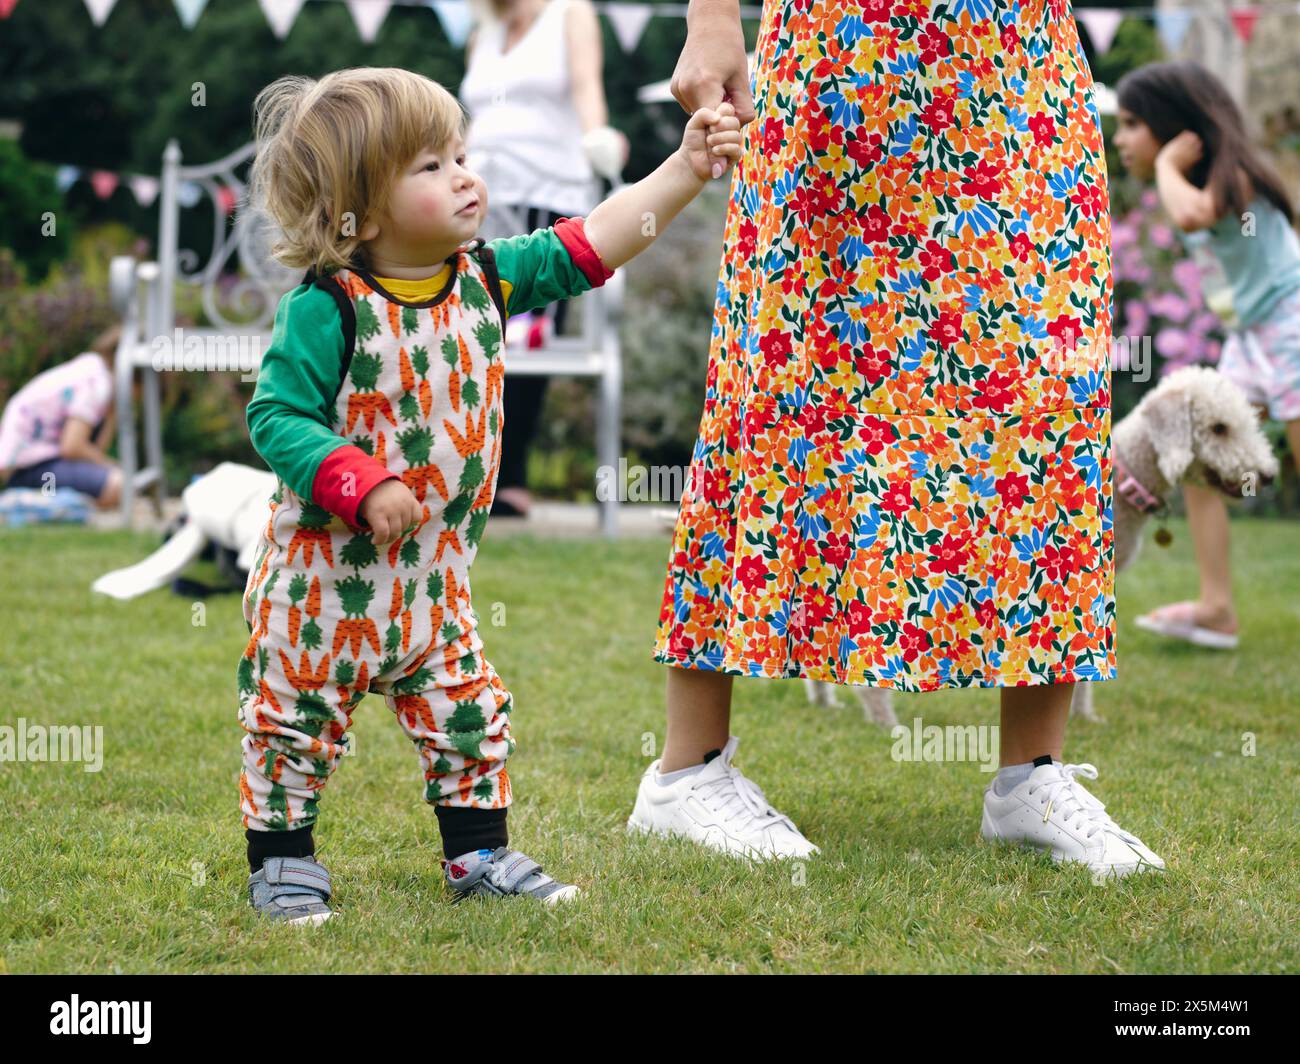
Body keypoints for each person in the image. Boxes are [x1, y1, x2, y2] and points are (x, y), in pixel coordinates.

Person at [629, 0, 1166, 883]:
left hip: (1019, 68)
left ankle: (1032, 776)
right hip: (844, 66)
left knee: (1041, 398)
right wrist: (712, 19)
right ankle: (684, 773)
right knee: (780, 387)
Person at [236, 66, 742, 922]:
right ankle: (284, 860)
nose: (465, 175)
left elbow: (593, 242)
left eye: (461, 154)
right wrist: (357, 480)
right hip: (321, 588)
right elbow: (277, 414)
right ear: (358, 205)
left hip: (435, 585)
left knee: (470, 717)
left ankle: (478, 854)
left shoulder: (485, 280)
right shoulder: (331, 309)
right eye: (430, 166)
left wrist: (685, 169)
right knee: (293, 724)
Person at [1113, 60, 1300, 650]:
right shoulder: (1214, 182)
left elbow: (1193, 213)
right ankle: (1217, 606)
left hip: (1292, 322)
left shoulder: (1233, 178)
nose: (1120, 140)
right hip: (1253, 334)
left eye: (1132, 123)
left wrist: (1168, 164)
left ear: (1176, 127)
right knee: (1201, 452)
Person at [460, 0, 629, 518]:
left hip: (548, 194)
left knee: (528, 337)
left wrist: (600, 143)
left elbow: (587, 92)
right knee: (472, 330)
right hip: (481, 202)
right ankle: (474, 472)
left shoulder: (570, 14)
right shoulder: (482, 30)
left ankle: (511, 479)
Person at [0, 324, 124, 509]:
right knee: (120, 485)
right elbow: (72, 447)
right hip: (33, 470)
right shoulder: (95, 382)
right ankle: (44, 504)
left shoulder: (89, 369)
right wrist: (112, 465)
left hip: (29, 467)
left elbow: (92, 450)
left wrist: (112, 413)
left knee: (116, 483)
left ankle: (61, 505)